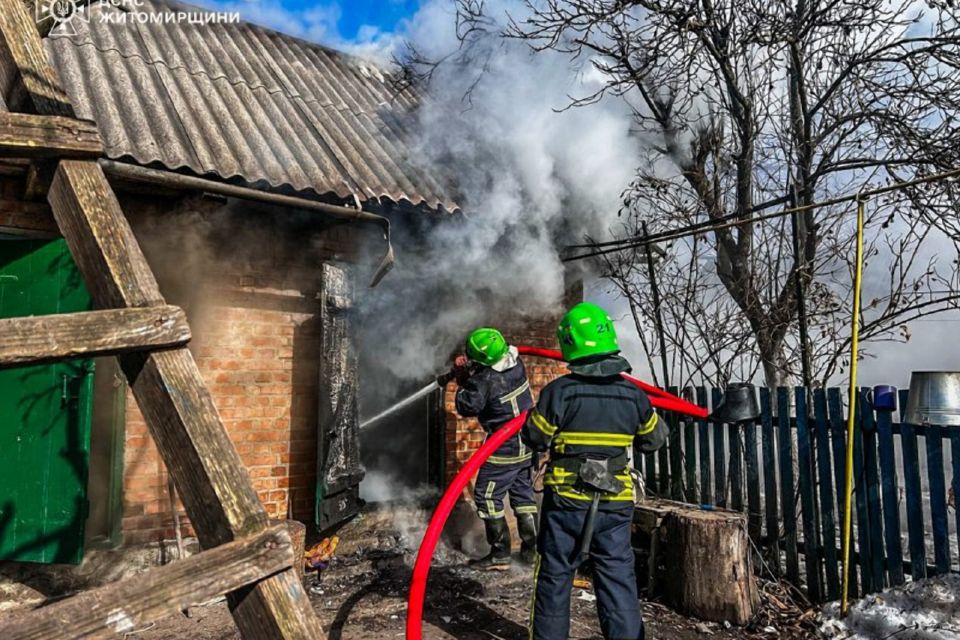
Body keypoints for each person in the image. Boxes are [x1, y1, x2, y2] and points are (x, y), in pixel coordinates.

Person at [522, 302, 669, 640]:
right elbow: (655, 440)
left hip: (566, 505)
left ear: (568, 343)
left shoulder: (559, 392)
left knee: (555, 578)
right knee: (617, 578)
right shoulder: (633, 395)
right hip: (614, 505)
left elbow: (534, 437)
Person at [453, 327, 538, 570]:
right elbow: (489, 372)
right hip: (528, 441)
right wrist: (471, 369)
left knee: (487, 496)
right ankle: (532, 553)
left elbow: (468, 406)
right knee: (523, 496)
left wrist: (461, 378)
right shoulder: (516, 363)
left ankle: (500, 553)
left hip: (504, 446)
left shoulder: (484, 381)